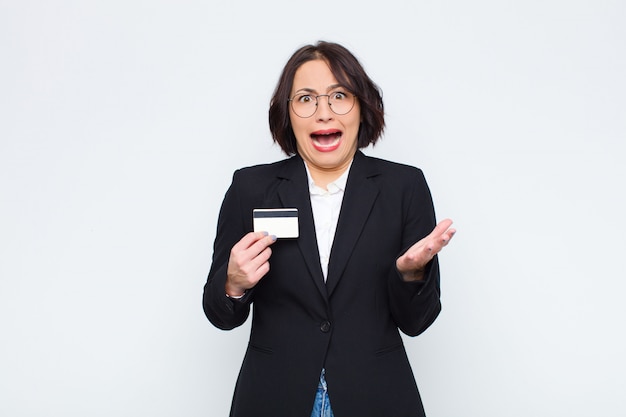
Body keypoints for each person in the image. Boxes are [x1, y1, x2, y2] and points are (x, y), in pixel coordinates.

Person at [203, 41, 455, 417]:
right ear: (287, 114)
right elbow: (220, 314)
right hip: (273, 397)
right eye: (306, 99)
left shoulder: (404, 188)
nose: (324, 113)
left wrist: (411, 272)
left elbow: (417, 323)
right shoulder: (249, 189)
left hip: (375, 397)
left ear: (362, 107)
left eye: (339, 95)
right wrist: (233, 283)